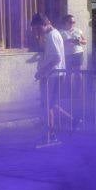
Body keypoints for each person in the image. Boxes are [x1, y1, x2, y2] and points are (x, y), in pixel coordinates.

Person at [31, 13, 66, 143]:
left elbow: (57, 58)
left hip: (52, 75)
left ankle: (50, 135)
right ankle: (50, 133)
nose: (37, 31)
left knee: (48, 105)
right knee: (49, 104)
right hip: (54, 74)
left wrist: (42, 72)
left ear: (45, 24)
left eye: (38, 28)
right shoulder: (53, 34)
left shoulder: (51, 36)